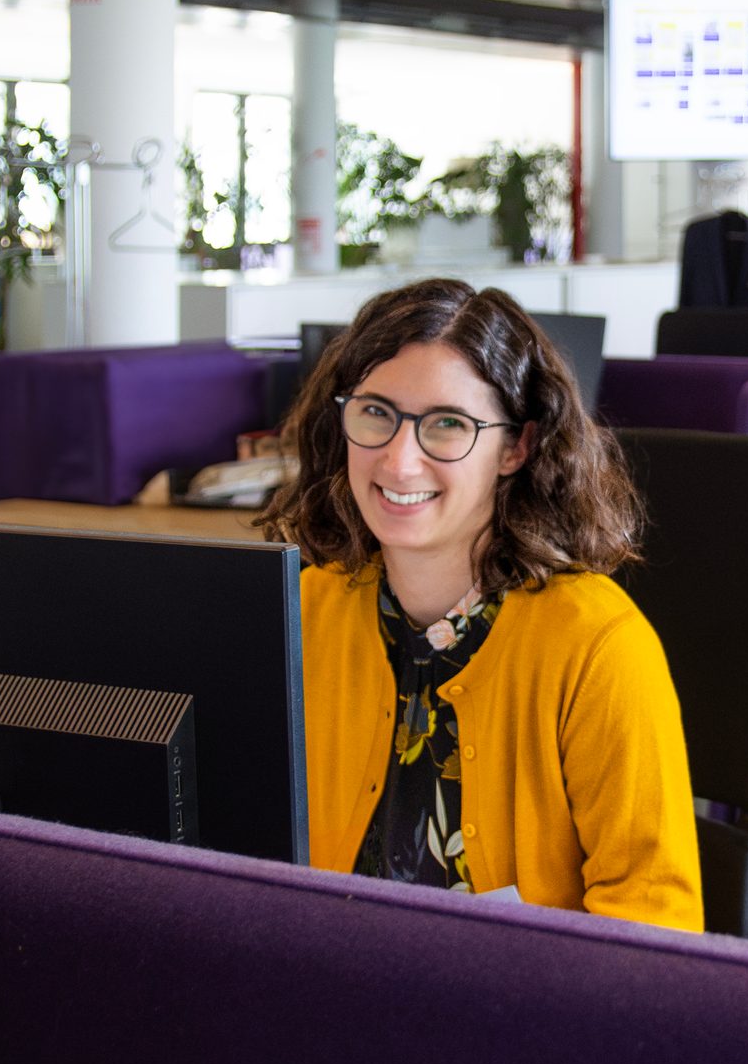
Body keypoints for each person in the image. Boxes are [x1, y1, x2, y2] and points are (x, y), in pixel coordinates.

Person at [258, 278, 702, 931]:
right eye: (376, 413)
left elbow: (654, 919)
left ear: (515, 447)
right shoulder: (300, 613)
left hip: (529, 994)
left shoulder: (597, 646)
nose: (399, 462)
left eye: (448, 425)